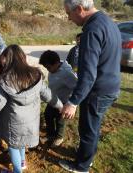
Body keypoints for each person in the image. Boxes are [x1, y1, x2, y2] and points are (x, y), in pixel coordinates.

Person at [0, 45, 63, 173]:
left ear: (5, 61)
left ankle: (17, 170)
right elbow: (48, 95)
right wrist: (61, 106)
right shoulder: (35, 75)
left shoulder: (4, 81)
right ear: (22, 58)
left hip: (14, 124)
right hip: (31, 122)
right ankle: (22, 163)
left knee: (13, 147)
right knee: (21, 143)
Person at [60, 0, 122, 173]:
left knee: (88, 129)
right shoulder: (107, 21)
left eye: (68, 14)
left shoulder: (92, 30)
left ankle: (82, 166)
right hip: (111, 84)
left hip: (98, 90)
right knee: (92, 126)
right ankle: (87, 156)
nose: (68, 18)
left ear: (79, 9)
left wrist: (73, 102)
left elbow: (88, 75)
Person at [39, 50, 77, 147]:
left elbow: (77, 88)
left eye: (48, 67)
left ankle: (59, 137)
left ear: (56, 63)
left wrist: (72, 104)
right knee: (48, 115)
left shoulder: (67, 74)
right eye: (46, 68)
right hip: (53, 99)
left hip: (64, 102)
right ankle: (50, 134)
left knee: (60, 120)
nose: (47, 70)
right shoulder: (53, 69)